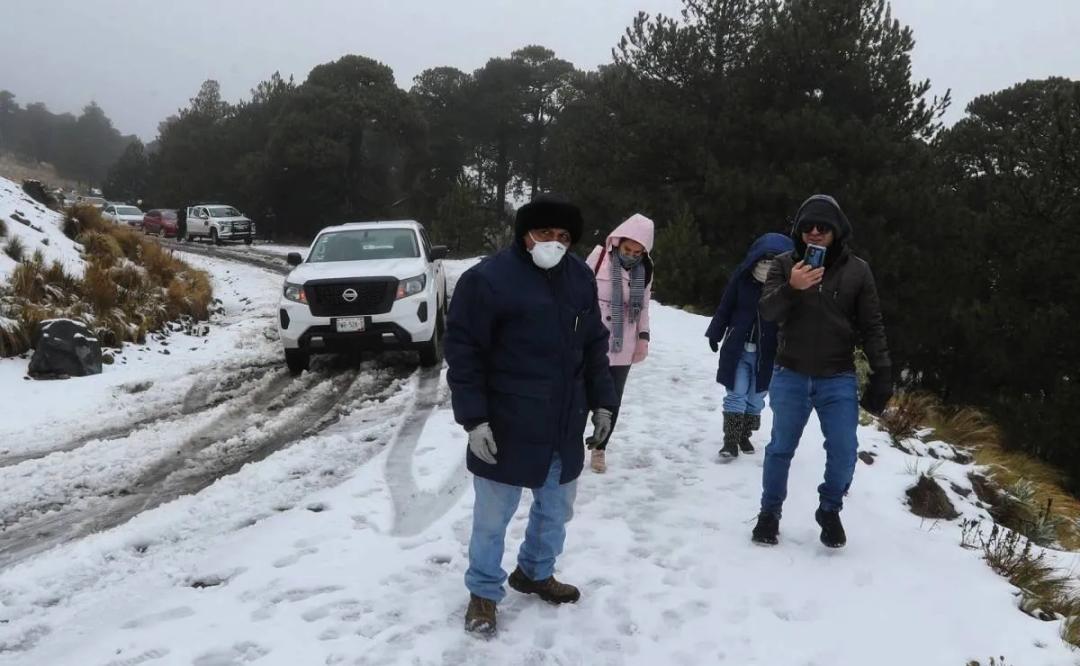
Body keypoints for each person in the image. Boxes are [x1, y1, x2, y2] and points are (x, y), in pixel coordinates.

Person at [445, 193, 618, 637]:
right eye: (545, 233)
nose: (555, 243)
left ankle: (535, 572)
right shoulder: (487, 280)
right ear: (525, 234)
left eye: (564, 236)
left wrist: (603, 402)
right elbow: (464, 354)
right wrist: (474, 419)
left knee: (555, 510)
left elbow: (595, 344)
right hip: (505, 422)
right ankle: (483, 591)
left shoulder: (579, 276)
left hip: (563, 421)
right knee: (491, 519)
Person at [751, 194, 892, 549]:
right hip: (791, 373)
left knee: (845, 451)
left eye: (823, 226)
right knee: (781, 447)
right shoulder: (784, 265)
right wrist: (793, 289)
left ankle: (829, 509)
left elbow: (872, 325)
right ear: (798, 231)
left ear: (837, 230)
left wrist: (883, 371)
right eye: (807, 227)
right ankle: (769, 514)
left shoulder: (857, 270)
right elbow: (767, 311)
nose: (814, 232)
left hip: (837, 375)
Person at [705, 233, 794, 461]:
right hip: (738, 348)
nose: (767, 265)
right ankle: (730, 441)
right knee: (736, 394)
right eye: (764, 259)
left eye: (774, 260)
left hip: (769, 354)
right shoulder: (742, 278)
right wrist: (715, 332)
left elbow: (795, 322)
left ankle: (744, 434)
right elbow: (726, 305)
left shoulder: (788, 288)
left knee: (755, 399)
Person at [583, 213, 655, 473]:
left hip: (623, 341)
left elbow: (644, 305)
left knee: (611, 398)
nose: (632, 255)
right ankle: (567, 442)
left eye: (638, 252)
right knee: (582, 393)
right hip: (592, 338)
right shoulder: (599, 257)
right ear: (617, 242)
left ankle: (600, 447)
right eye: (627, 249)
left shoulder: (645, 269)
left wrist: (643, 337)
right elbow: (578, 292)